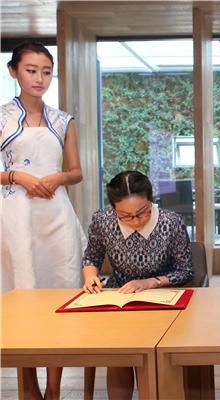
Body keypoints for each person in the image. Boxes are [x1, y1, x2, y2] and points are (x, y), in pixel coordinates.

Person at [0, 40, 86, 400]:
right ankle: (29, 388)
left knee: (61, 292)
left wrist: (59, 177)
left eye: (47, 72)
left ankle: (54, 388)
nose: (40, 78)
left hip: (56, 213)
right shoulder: (2, 117)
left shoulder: (62, 120)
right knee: (21, 295)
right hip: (16, 216)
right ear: (14, 71)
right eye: (31, 70)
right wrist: (16, 176)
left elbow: (77, 171)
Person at [82, 170, 193, 399]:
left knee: (155, 354)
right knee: (119, 353)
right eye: (125, 215)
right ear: (114, 209)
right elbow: (91, 258)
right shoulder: (102, 221)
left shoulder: (170, 221)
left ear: (151, 200)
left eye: (142, 212)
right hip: (119, 297)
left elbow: (185, 271)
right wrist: (90, 275)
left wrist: (150, 282)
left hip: (163, 297)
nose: (135, 221)